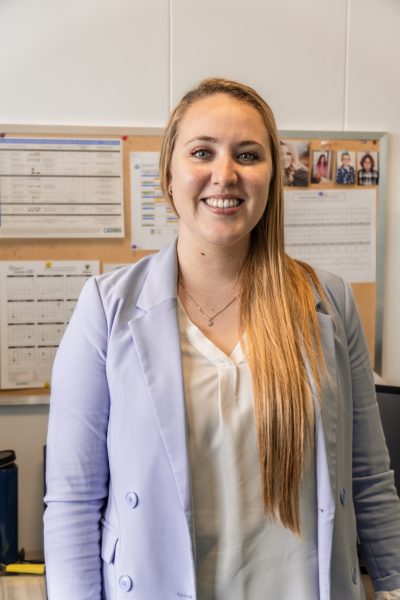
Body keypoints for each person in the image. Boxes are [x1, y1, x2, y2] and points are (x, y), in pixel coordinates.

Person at [44, 78, 400, 600]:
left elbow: (369, 478)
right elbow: (73, 502)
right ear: (169, 174)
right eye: (202, 152)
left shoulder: (328, 301)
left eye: (248, 154)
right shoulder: (106, 309)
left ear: (272, 178)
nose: (225, 174)